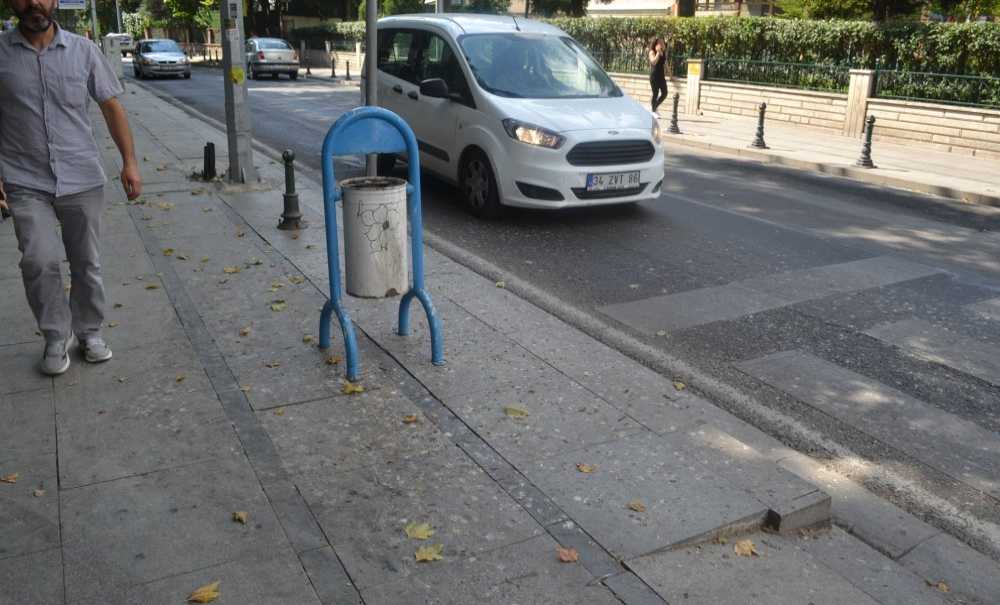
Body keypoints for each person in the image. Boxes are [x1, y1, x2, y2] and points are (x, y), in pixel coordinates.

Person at [0, 0, 142, 376]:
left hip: (81, 176)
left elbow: (111, 107)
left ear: (55, 2)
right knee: (39, 260)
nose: (35, 3)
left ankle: (90, 332)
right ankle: (54, 335)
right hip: (24, 179)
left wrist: (129, 162)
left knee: (86, 262)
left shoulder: (84, 50)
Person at [647, 37, 668, 114]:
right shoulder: (651, 52)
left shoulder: (663, 52)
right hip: (654, 76)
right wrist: (658, 53)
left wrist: (670, 75)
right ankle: (653, 110)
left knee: (665, 93)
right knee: (655, 93)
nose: (662, 44)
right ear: (656, 44)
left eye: (663, 43)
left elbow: (665, 64)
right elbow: (653, 62)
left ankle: (654, 107)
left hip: (661, 76)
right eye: (660, 43)